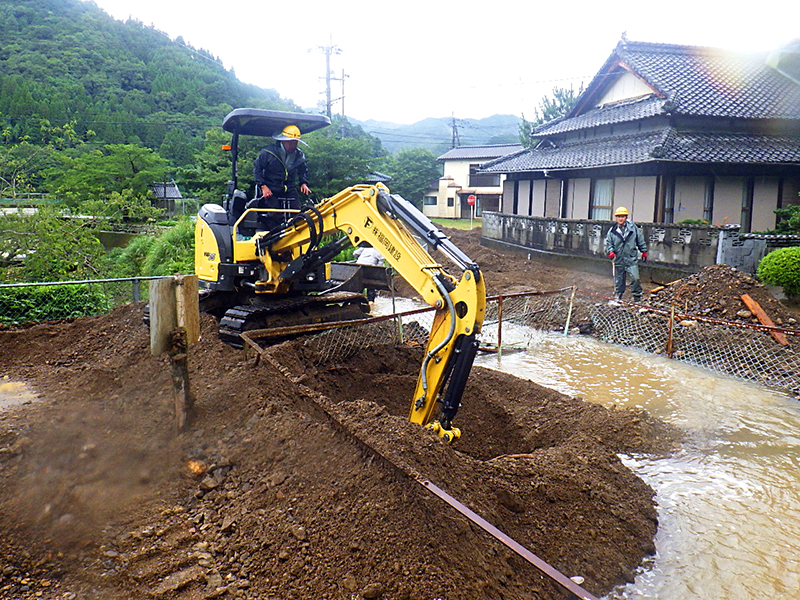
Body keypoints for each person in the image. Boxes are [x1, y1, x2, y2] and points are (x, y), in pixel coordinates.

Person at [251, 124, 312, 229]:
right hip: (270, 187)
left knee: (296, 212)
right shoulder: (268, 153)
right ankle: (271, 236)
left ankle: (294, 234)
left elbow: (303, 170)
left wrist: (303, 182)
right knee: (274, 214)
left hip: (289, 188)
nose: (294, 145)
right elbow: (257, 169)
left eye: (295, 142)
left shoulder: (299, 155)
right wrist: (263, 186)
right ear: (284, 141)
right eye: (291, 142)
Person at [604, 206, 648, 302]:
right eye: (619, 216)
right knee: (619, 280)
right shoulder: (612, 231)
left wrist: (643, 251)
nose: (620, 218)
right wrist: (610, 251)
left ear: (626, 217)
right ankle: (617, 297)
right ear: (616, 218)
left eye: (623, 216)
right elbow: (609, 243)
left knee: (635, 278)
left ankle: (637, 298)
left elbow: (640, 240)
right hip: (618, 259)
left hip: (631, 259)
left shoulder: (633, 228)